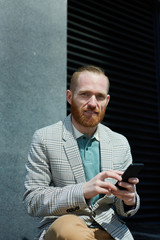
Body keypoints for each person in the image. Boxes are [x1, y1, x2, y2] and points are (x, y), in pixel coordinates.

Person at [23, 65, 140, 240]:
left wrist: (129, 200)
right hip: (63, 226)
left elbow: (124, 208)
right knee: (70, 228)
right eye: (85, 94)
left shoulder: (120, 143)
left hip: (110, 229)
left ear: (107, 101)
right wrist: (83, 191)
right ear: (69, 97)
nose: (93, 103)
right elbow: (32, 201)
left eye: (100, 96)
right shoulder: (44, 138)